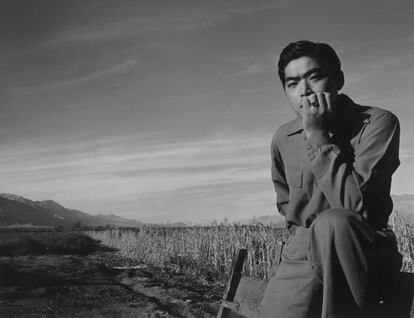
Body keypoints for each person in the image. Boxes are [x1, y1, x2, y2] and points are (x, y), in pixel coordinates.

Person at [257, 40, 402, 318]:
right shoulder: (282, 138)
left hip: (362, 252)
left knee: (333, 222)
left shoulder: (378, 123)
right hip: (302, 252)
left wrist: (316, 135)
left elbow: (355, 206)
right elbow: (286, 202)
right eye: (292, 84)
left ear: (338, 79)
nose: (305, 92)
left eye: (315, 77)